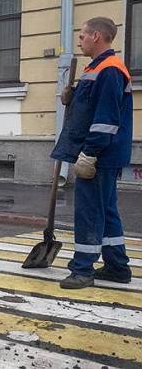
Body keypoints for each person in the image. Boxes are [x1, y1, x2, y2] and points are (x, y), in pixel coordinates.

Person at [51, 17, 133, 289]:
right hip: (104, 153)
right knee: (106, 210)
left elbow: (106, 118)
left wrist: (90, 153)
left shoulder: (110, 69)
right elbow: (91, 104)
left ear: (97, 36)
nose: (79, 40)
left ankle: (83, 269)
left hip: (99, 155)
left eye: (83, 35)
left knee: (89, 212)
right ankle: (117, 266)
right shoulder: (97, 67)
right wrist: (72, 95)